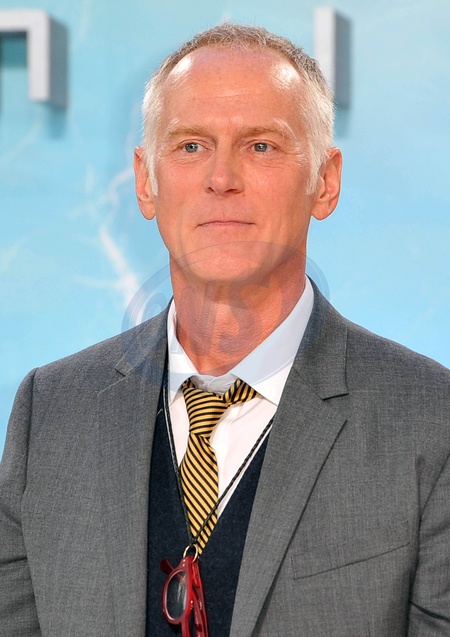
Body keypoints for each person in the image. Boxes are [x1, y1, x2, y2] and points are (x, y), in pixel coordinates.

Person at [0, 23, 449, 637]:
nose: (221, 177)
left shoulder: (429, 419)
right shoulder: (50, 413)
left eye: (261, 146)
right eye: (191, 146)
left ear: (325, 182)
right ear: (145, 182)